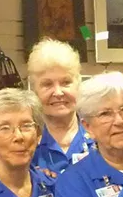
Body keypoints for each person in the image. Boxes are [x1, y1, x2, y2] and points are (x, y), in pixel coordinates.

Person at [27, 39, 92, 175]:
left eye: (66, 82)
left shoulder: (100, 136)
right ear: (33, 90)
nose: (58, 92)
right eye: (47, 84)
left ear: (78, 85)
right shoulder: (24, 143)